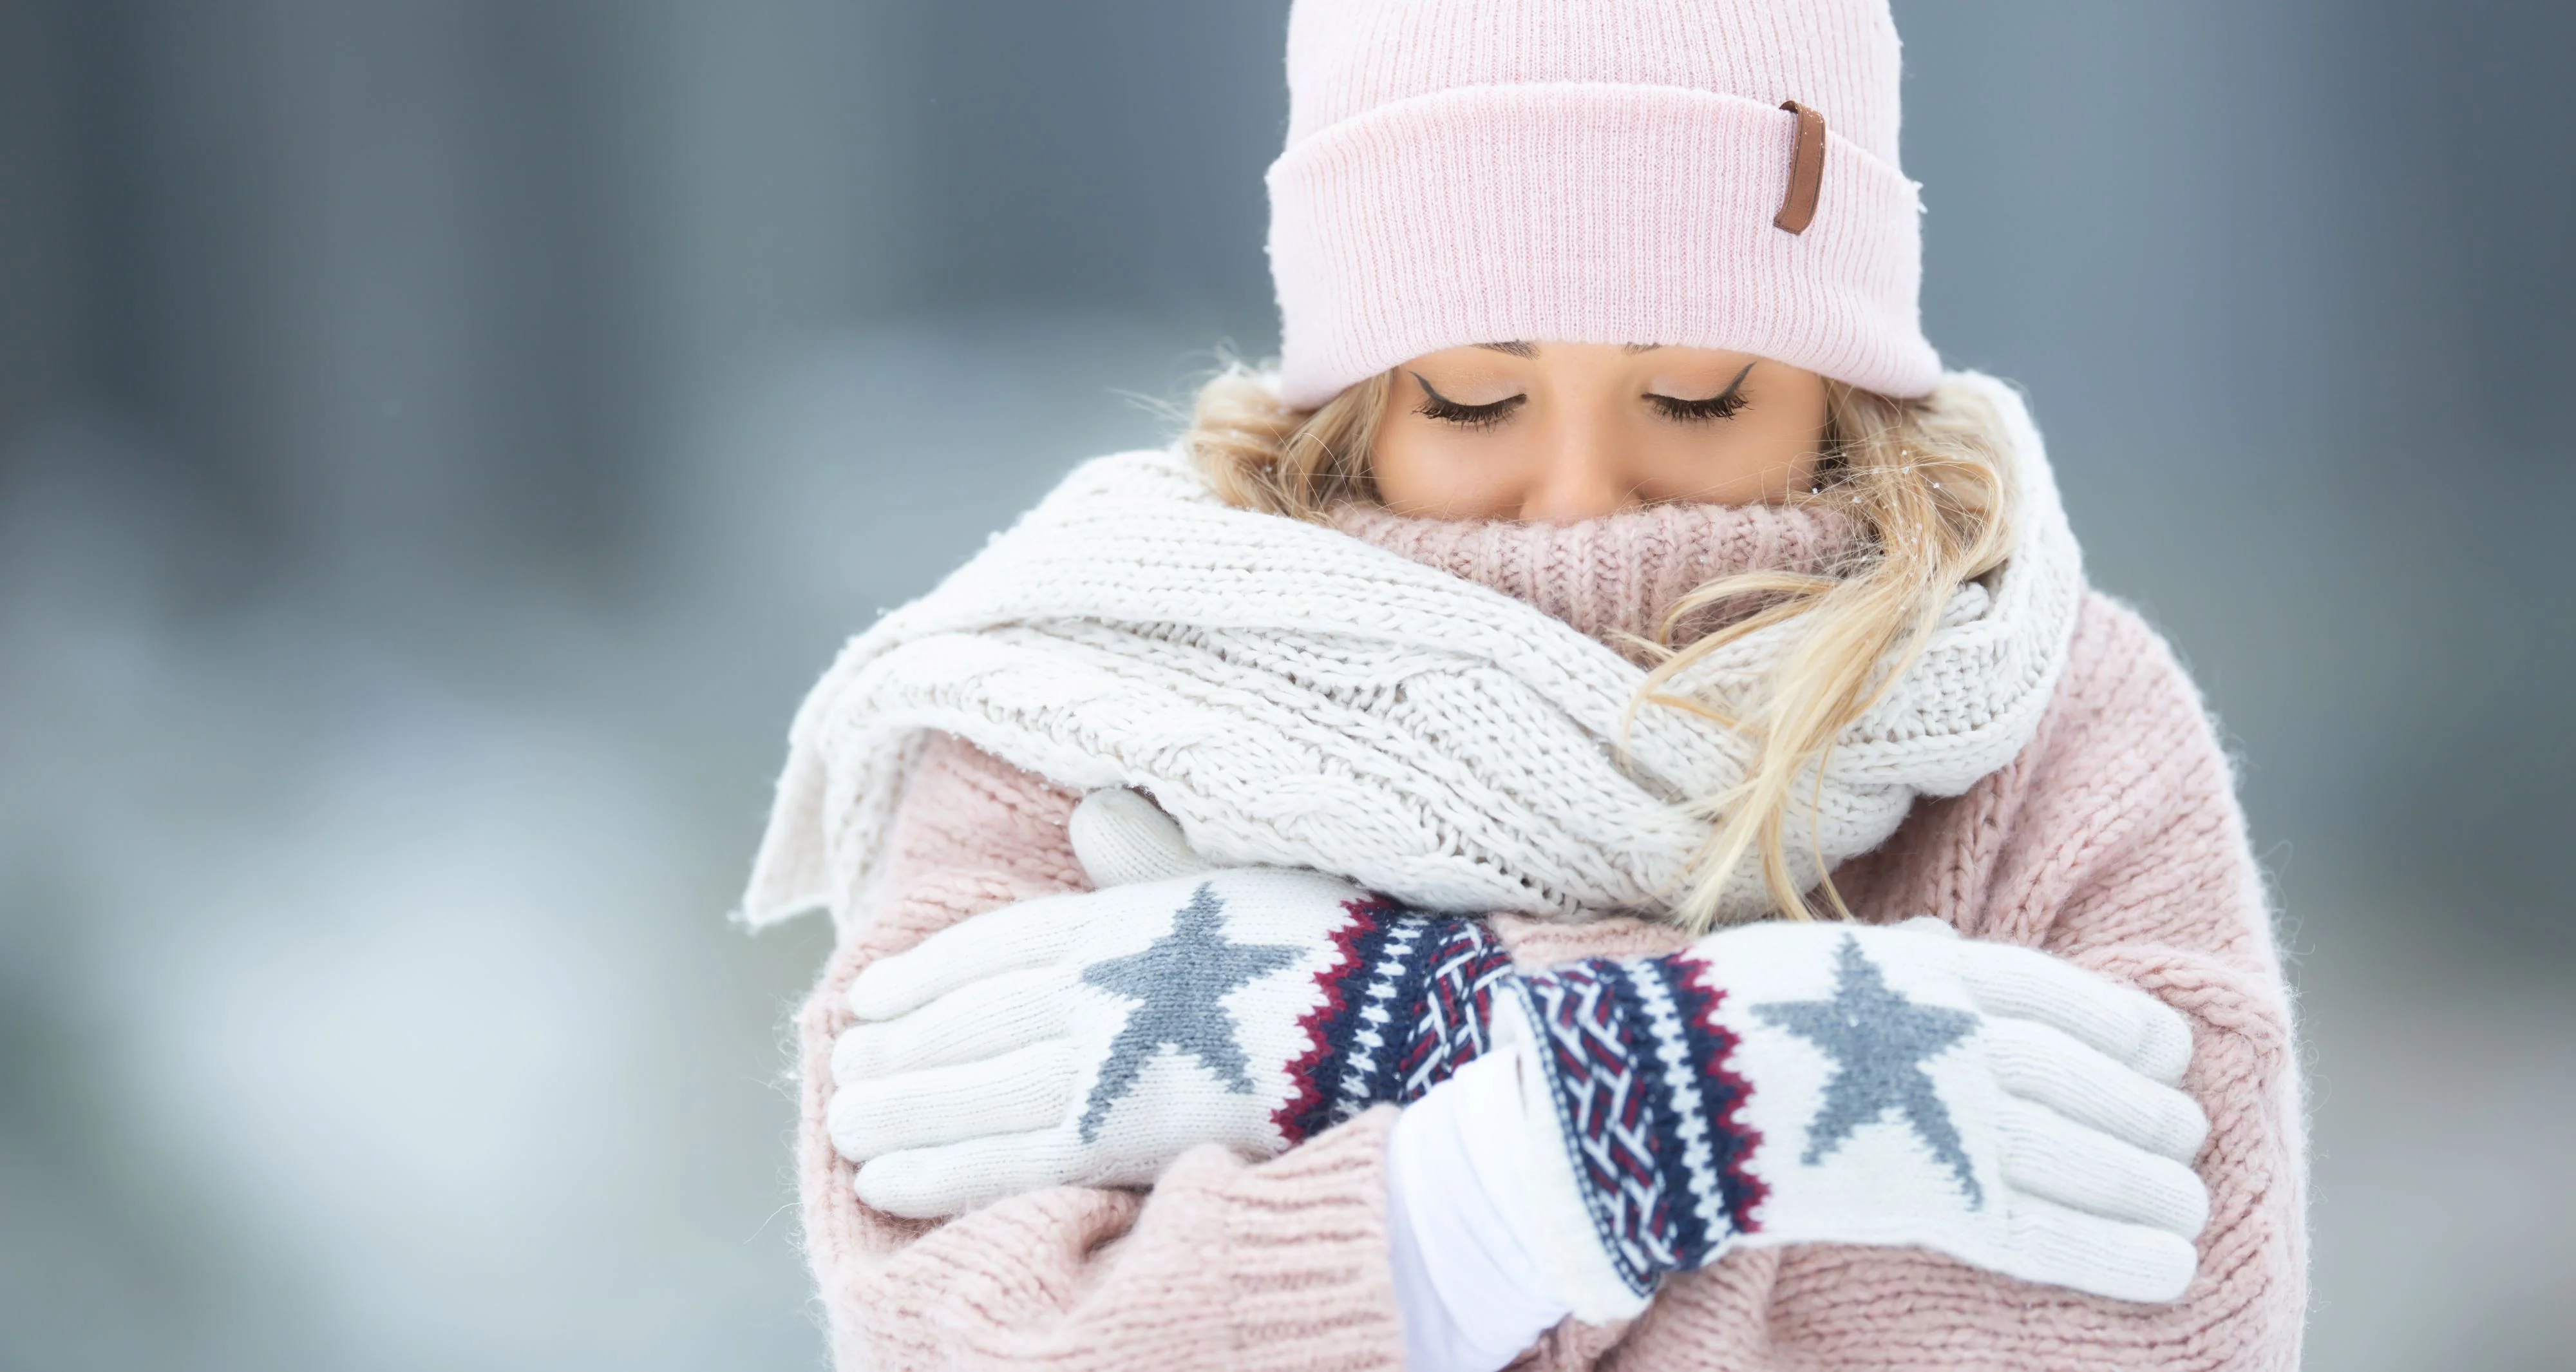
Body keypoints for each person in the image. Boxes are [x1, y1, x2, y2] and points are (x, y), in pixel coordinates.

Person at [738, 2, 2308, 1367]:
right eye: (1472, 396)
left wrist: (1348, 1063)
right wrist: (1567, 1127)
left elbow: (2180, 1315)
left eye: (1695, 394)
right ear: (1350, 393)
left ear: (1837, 384)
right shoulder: (1088, 707)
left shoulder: (2045, 720)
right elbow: (970, 1334)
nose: (1576, 496)